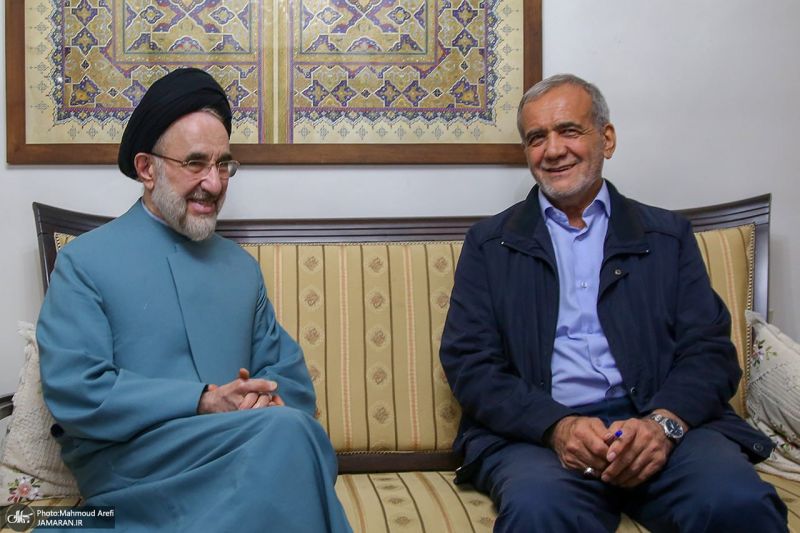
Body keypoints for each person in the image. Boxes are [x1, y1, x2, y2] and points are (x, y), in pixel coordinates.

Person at [439, 73, 788, 532]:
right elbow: (470, 363)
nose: (553, 150)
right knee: (538, 512)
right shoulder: (490, 244)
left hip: (660, 425)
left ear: (606, 138)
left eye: (568, 130)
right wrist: (557, 427)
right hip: (539, 437)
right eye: (537, 138)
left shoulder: (666, 237)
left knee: (736, 501)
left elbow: (709, 352)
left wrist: (662, 425)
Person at [37, 68, 352, 532]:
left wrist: (263, 400)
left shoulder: (241, 268)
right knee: (288, 439)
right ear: (147, 169)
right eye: (196, 163)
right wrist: (202, 400)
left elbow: (287, 376)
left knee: (290, 430)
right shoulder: (84, 262)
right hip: (137, 467)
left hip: (242, 452)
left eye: (224, 165)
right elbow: (78, 390)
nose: (215, 183)